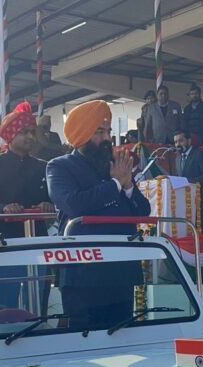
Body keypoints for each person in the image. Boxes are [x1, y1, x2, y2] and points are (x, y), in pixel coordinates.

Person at [46, 99, 151, 329]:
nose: (106, 139)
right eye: (99, 132)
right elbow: (74, 204)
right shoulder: (59, 167)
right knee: (85, 344)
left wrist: (128, 186)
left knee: (123, 344)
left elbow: (143, 211)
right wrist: (115, 184)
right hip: (83, 275)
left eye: (108, 132)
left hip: (120, 272)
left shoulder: (115, 164)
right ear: (82, 134)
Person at [0, 101, 54, 306]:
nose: (30, 137)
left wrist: (47, 205)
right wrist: (3, 209)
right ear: (10, 135)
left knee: (39, 299)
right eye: (24, 132)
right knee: (4, 302)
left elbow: (54, 201)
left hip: (37, 241)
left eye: (32, 132)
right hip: (4, 243)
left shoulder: (42, 167)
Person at [173, 130, 203, 225]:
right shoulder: (177, 158)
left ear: (189, 141)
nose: (178, 144)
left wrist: (190, 181)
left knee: (200, 229)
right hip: (183, 201)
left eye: (180, 141)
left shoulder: (199, 153)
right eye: (175, 142)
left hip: (199, 200)